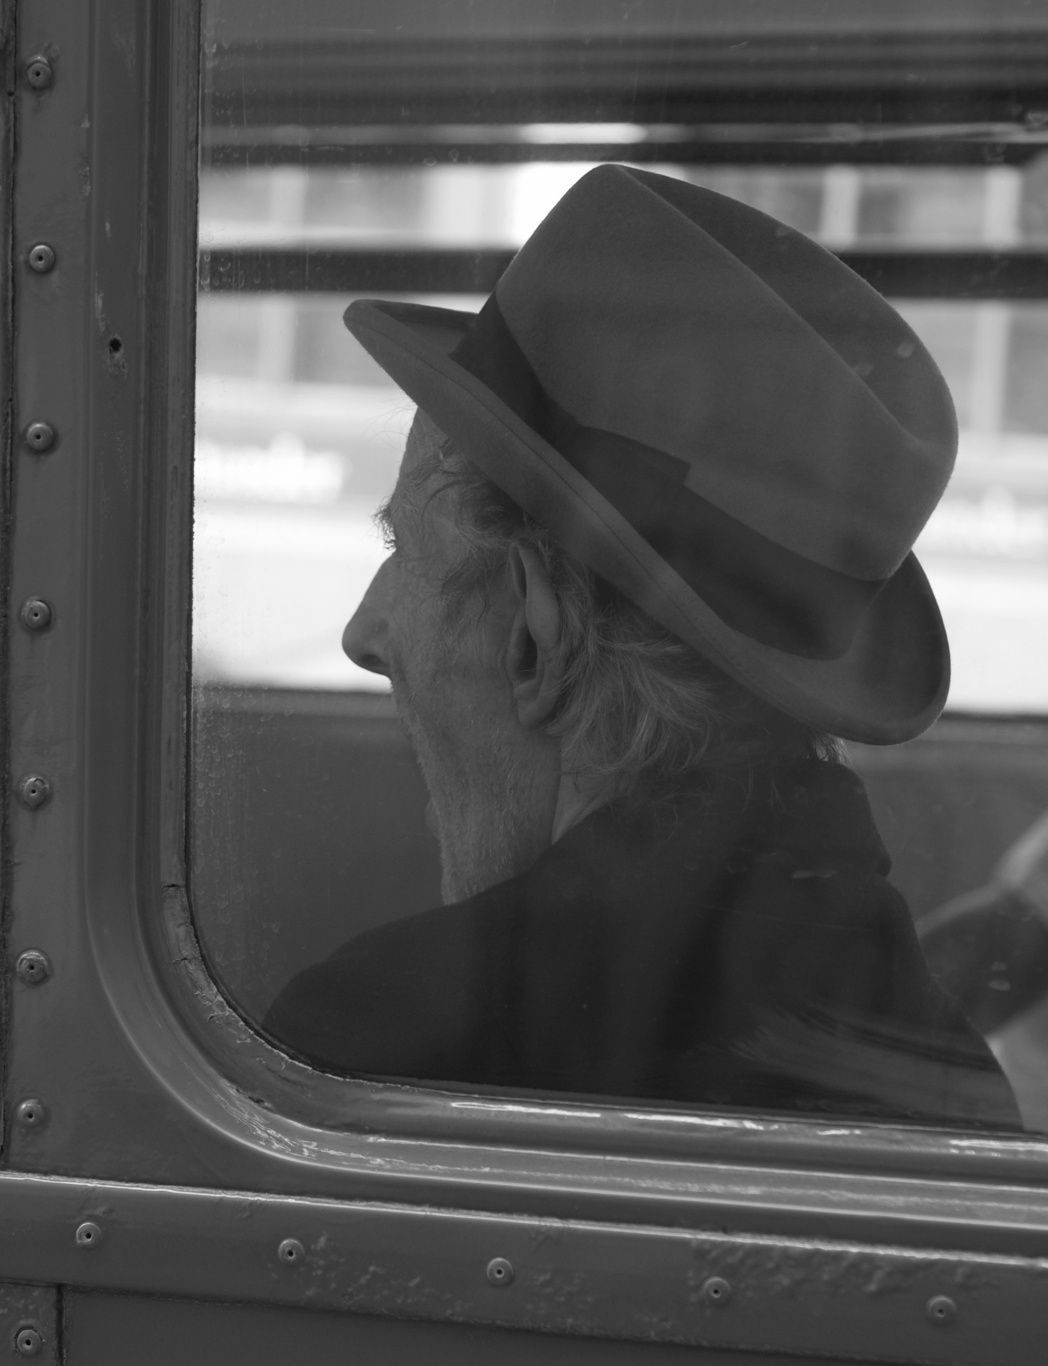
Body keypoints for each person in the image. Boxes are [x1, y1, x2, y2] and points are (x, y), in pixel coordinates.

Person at [265, 165, 1019, 1127]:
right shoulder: (948, 1079)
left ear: (536, 639)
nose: (364, 636)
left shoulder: (368, 1059)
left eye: (403, 552)